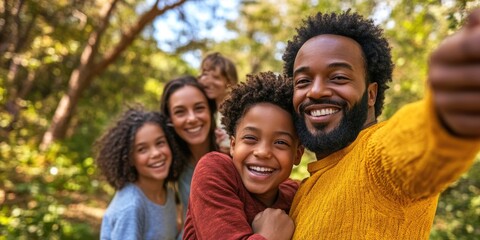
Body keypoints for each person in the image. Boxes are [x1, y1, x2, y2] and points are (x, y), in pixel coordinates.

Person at [280, 9, 480, 239]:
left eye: (338, 77)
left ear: (371, 94)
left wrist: (450, 107)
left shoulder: (375, 160)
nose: (315, 91)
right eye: (303, 81)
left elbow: (416, 139)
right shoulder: (301, 193)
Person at [183, 71, 304, 240]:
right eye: (250, 138)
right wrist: (270, 236)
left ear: (297, 154)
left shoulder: (297, 195)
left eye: (280, 142)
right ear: (233, 145)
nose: (262, 152)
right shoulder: (214, 170)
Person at [95, 107, 184, 240]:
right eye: (142, 149)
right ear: (129, 158)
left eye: (160, 143)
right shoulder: (131, 207)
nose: (155, 153)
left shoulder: (168, 193)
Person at [160, 75, 219, 238]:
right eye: (180, 112)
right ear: (170, 119)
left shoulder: (234, 153)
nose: (192, 118)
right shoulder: (169, 161)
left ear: (210, 109)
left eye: (199, 108)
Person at [198, 52, 239, 152]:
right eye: (205, 74)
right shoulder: (209, 111)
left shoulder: (237, 110)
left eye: (216, 77)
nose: (208, 81)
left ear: (229, 82)